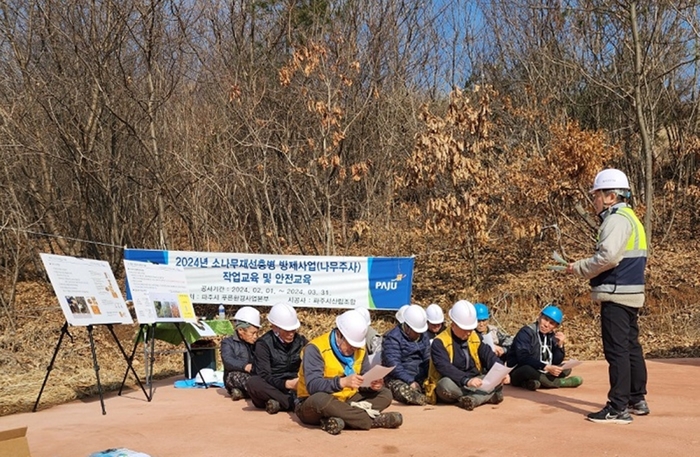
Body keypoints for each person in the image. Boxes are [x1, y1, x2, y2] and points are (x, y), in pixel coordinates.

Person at [566, 168, 649, 424]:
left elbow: (608, 257)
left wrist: (579, 267)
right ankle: (637, 399)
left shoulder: (615, 220)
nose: (594, 201)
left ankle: (618, 407)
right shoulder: (632, 219)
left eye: (597, 195)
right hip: (631, 293)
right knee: (631, 348)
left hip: (616, 293)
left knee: (617, 351)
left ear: (611, 196)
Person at [295, 309, 403, 435]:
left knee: (385, 394)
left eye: (356, 346)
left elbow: (363, 379)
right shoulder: (315, 349)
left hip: (347, 400)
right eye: (351, 345)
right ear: (339, 334)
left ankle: (341, 419)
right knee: (320, 400)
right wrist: (342, 382)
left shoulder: (360, 349)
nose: (353, 350)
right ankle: (371, 420)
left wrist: (372, 385)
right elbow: (313, 386)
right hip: (312, 403)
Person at [424, 300, 509, 410]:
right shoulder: (439, 342)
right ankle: (484, 396)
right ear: (453, 325)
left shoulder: (474, 336)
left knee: (494, 380)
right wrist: (466, 381)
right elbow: (444, 367)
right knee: (445, 386)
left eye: (470, 329)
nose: (469, 333)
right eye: (465, 329)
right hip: (453, 381)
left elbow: (488, 355)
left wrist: (501, 372)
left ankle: (474, 398)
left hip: (476, 379)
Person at [246, 303, 307, 414]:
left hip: (297, 385)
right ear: (274, 327)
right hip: (274, 386)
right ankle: (291, 403)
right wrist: (287, 384)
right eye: (287, 330)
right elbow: (263, 375)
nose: (291, 334)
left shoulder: (301, 341)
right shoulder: (263, 344)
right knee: (253, 382)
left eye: (293, 330)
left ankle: (279, 403)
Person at [507, 305, 583, 391]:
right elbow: (523, 358)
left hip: (542, 370)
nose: (546, 325)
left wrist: (560, 346)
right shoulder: (526, 332)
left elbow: (556, 361)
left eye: (551, 323)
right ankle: (561, 383)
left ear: (555, 326)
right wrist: (546, 367)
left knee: (566, 369)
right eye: (545, 319)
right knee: (527, 370)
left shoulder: (551, 336)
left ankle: (533, 383)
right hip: (520, 370)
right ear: (539, 317)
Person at [381, 304, 430, 405]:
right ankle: (419, 397)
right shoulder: (393, 338)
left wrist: (430, 376)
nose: (418, 334)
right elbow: (393, 364)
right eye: (416, 331)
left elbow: (427, 357)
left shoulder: (424, 335)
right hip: (398, 378)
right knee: (403, 390)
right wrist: (410, 381)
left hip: (419, 376)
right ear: (407, 327)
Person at [220, 306, 260, 401]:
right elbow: (228, 361)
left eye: (257, 333)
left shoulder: (257, 344)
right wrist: (245, 367)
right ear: (241, 330)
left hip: (254, 375)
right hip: (234, 376)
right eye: (253, 333)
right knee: (236, 377)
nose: (255, 336)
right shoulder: (228, 343)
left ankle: (242, 392)